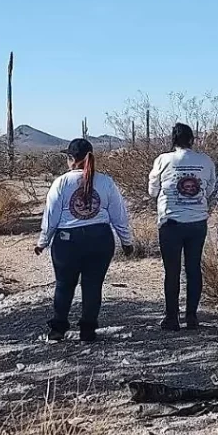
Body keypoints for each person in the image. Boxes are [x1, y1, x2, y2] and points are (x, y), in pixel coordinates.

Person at [36, 138, 134, 342]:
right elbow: (119, 215)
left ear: (71, 159)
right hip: (99, 239)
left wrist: (43, 242)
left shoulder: (61, 182)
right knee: (92, 285)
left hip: (67, 242)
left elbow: (51, 217)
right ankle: (88, 329)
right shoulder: (106, 182)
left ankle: (58, 329)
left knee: (64, 285)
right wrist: (126, 241)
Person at [148, 123, 217, 331]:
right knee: (194, 268)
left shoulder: (163, 160)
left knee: (172, 271)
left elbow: (152, 190)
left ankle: (171, 317)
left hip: (171, 223)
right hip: (197, 222)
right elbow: (211, 188)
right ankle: (192, 317)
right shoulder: (205, 161)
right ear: (192, 139)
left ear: (173, 140)